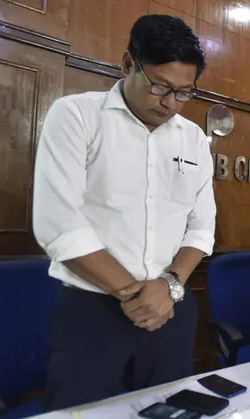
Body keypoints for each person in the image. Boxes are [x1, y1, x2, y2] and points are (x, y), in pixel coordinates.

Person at [33, 15, 216, 410]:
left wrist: (167, 287)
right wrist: (136, 294)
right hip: (91, 310)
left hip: (170, 308)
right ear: (127, 64)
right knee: (79, 412)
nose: (169, 102)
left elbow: (201, 227)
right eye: (160, 86)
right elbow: (59, 224)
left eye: (184, 92)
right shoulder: (77, 116)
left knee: (170, 408)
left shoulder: (194, 140)